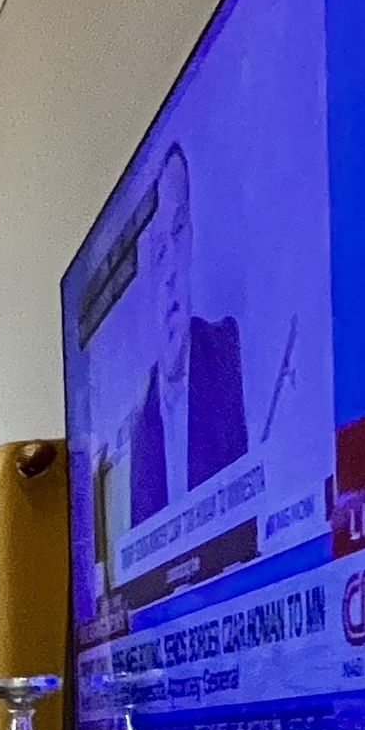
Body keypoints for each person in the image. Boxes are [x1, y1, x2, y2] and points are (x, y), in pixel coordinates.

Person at [124, 144, 246, 523]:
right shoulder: (141, 426)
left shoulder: (230, 351)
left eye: (178, 232)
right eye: (159, 251)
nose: (172, 269)